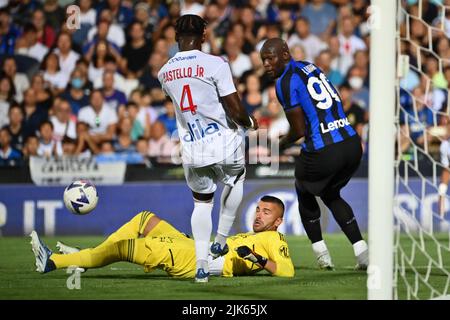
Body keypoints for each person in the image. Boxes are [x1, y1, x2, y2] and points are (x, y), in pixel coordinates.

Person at [157, 14, 258, 282]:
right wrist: (250, 122)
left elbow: (179, 100)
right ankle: (221, 240)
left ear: (176, 36)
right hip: (223, 142)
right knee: (236, 178)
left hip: (192, 147)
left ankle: (201, 264)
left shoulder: (164, 72)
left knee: (201, 203)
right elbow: (235, 109)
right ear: (204, 35)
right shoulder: (216, 64)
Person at [260, 38, 368, 270]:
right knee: (330, 194)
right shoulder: (309, 66)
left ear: (286, 55)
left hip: (325, 149)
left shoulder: (284, 82)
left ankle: (321, 255)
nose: (267, 64)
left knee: (303, 187)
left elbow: (298, 131)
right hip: (351, 143)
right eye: (264, 60)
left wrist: (280, 143)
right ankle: (362, 253)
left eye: (271, 58)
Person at [30, 196, 294, 278]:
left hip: (195, 261)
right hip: (194, 247)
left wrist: (258, 259)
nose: (259, 215)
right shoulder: (250, 233)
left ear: (278, 221)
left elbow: (287, 272)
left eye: (267, 212)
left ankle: (52, 261)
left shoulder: (275, 240)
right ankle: (84, 257)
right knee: (144, 219)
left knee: (124, 248)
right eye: (258, 209)